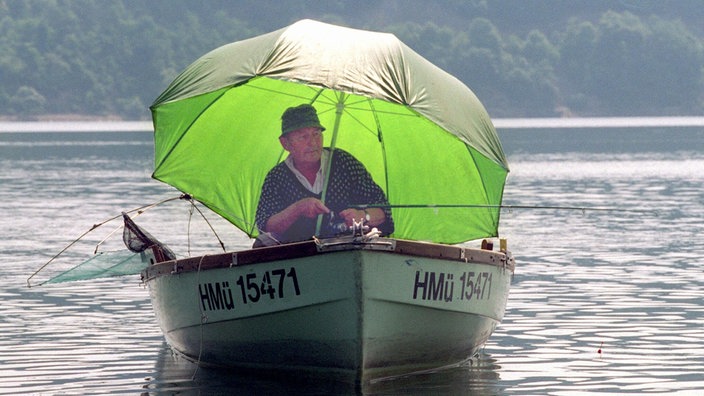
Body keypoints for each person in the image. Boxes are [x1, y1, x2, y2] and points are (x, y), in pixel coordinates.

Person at [255, 104, 394, 245]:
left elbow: (384, 211)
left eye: (316, 134)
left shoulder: (344, 163)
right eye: (303, 137)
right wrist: (298, 209)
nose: (313, 142)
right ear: (285, 143)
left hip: (346, 248)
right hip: (296, 254)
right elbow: (265, 226)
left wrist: (364, 216)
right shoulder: (277, 177)